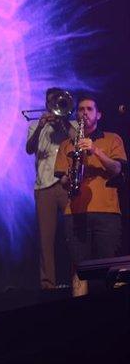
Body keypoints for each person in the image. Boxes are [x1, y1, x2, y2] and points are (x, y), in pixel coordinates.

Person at [54, 96, 126, 296]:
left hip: (107, 212)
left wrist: (95, 150)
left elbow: (117, 169)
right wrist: (69, 178)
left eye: (89, 109)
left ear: (98, 114)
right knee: (78, 267)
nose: (84, 113)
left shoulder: (113, 139)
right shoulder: (67, 144)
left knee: (112, 269)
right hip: (75, 212)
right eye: (81, 110)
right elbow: (61, 180)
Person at [26, 88, 77, 289]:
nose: (54, 106)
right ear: (46, 105)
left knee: (74, 236)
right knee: (46, 238)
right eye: (51, 102)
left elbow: (77, 142)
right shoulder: (35, 125)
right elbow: (29, 149)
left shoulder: (71, 124)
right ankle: (48, 283)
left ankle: (77, 280)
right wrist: (40, 127)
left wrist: (63, 122)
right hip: (44, 187)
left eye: (58, 102)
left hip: (67, 184)